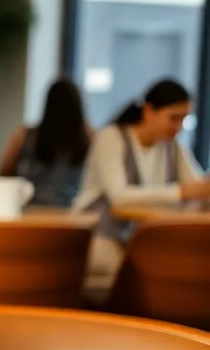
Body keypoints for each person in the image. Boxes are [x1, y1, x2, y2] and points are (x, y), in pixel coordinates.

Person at [73, 79, 210, 289]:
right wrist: (180, 192)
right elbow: (118, 197)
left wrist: (197, 192)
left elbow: (198, 190)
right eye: (173, 118)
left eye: (183, 119)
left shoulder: (173, 149)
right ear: (149, 111)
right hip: (102, 234)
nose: (178, 127)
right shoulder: (112, 138)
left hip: (141, 239)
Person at [0, 78, 91, 208]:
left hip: (31, 212)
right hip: (72, 215)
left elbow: (4, 174)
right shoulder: (90, 140)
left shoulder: (25, 136)